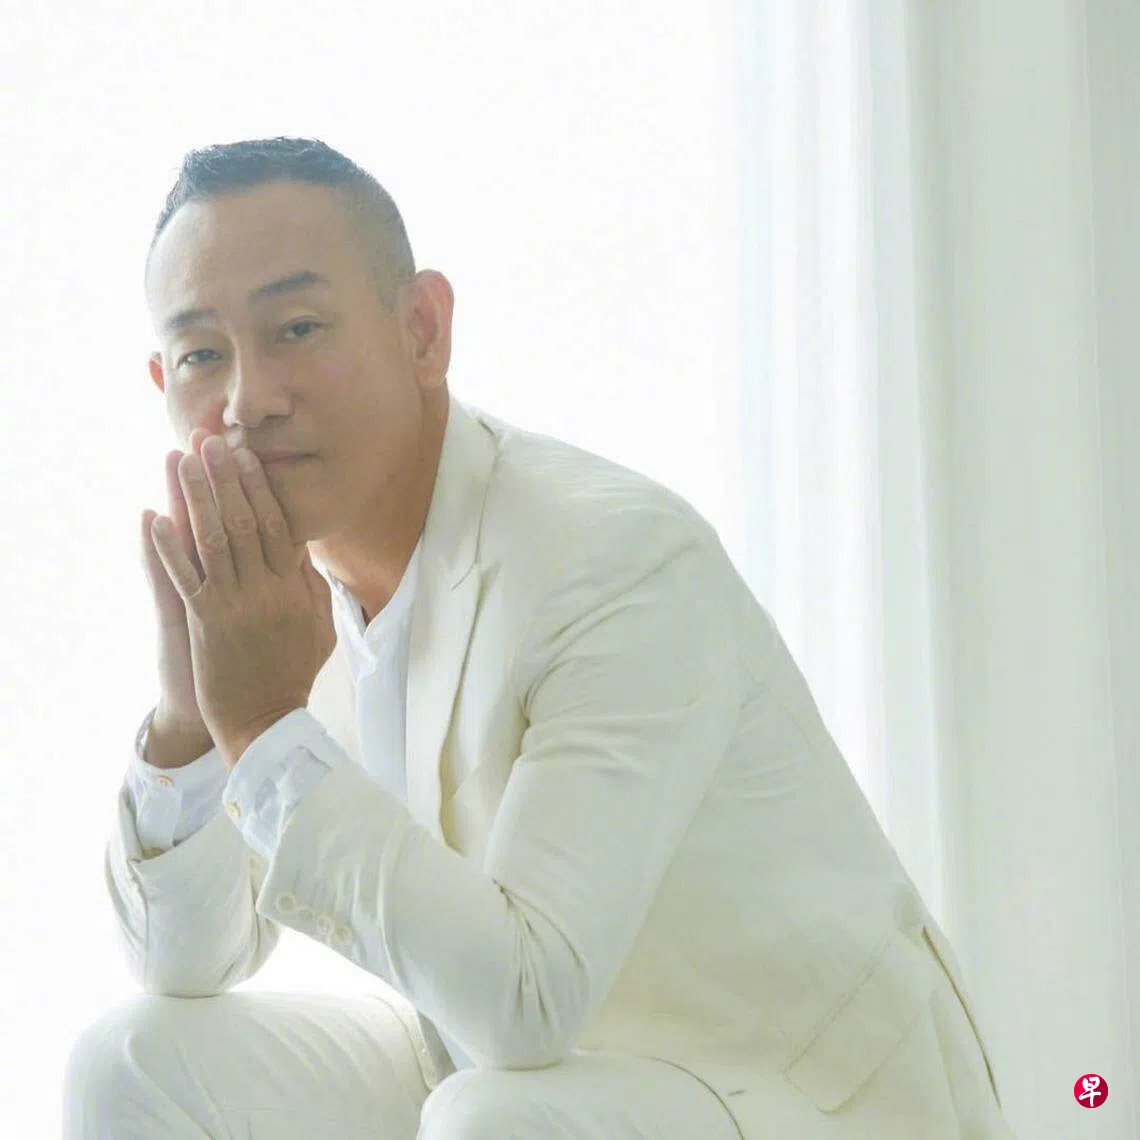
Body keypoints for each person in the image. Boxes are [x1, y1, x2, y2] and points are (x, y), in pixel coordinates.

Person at [62, 137, 1016, 1139]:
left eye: (297, 328)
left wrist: (263, 725)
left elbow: (526, 998)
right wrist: (194, 713)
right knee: (135, 1059)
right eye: (202, 355)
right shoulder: (280, 603)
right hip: (522, 1084)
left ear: (422, 330)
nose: (247, 399)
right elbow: (185, 960)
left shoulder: (614, 558)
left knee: (492, 1119)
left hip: (803, 1102)